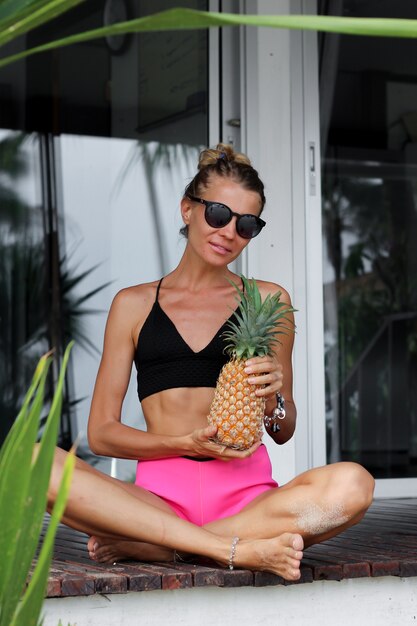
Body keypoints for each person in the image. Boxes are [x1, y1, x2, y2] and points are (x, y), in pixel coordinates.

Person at [47, 143, 374, 581]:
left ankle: (162, 546)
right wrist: (186, 444)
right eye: (218, 214)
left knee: (355, 484)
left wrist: (276, 397)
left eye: (246, 225)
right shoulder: (134, 304)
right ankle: (223, 547)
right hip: (157, 500)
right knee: (34, 464)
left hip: (248, 501)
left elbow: (282, 430)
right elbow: (102, 434)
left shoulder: (268, 302)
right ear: (187, 209)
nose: (228, 232)